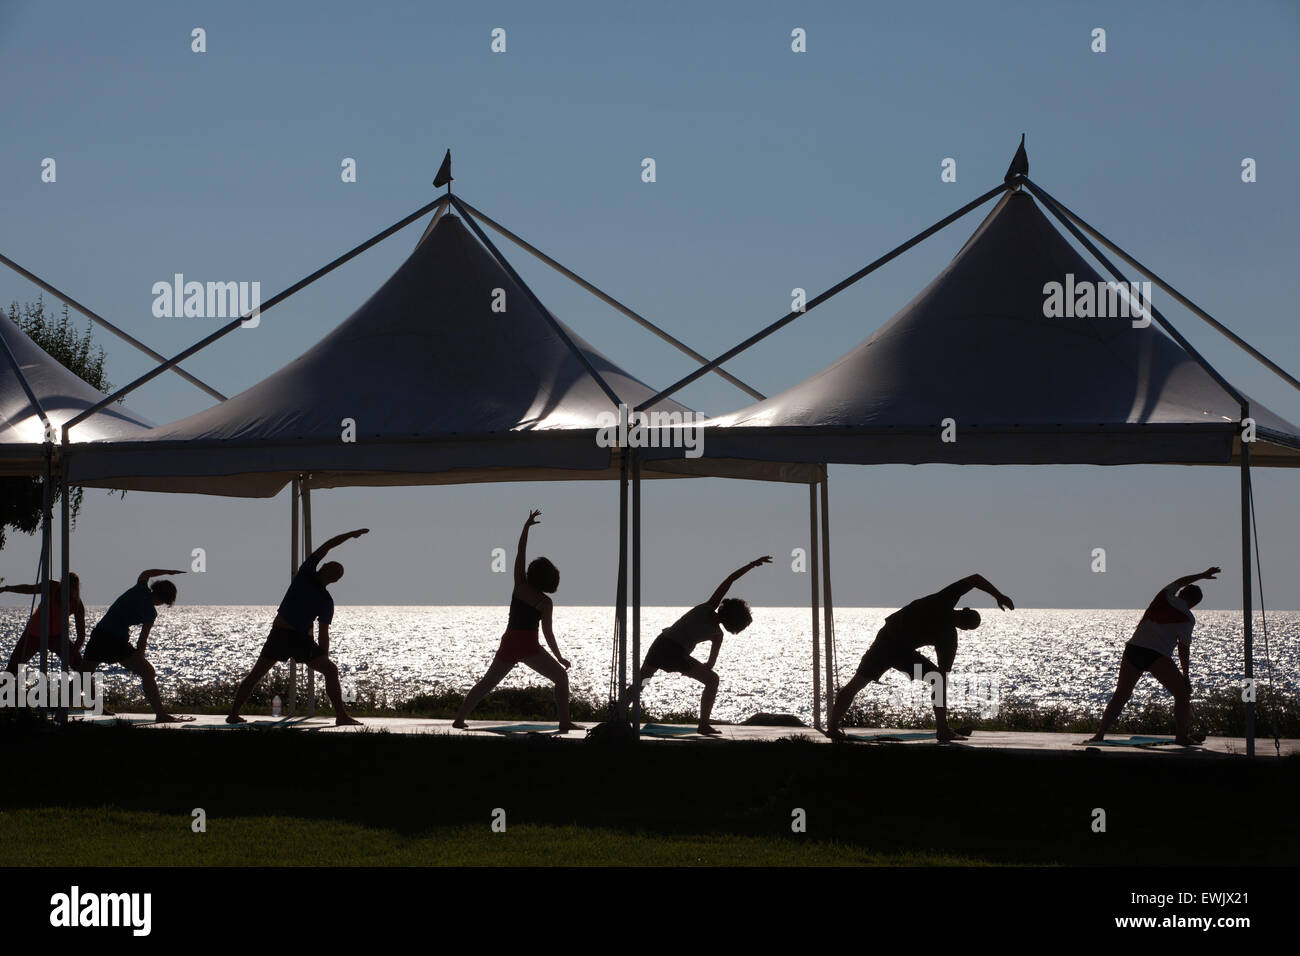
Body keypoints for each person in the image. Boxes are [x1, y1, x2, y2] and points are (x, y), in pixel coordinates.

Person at [828, 574, 1015, 741]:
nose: (961, 624)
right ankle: (832, 726)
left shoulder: (948, 636)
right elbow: (975, 579)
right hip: (887, 643)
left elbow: (940, 678)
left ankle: (942, 729)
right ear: (963, 614)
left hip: (896, 648)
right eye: (965, 622)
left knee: (859, 683)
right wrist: (998, 595)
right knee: (858, 683)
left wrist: (999, 596)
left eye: (965, 624)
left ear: (964, 623)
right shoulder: (945, 603)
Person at [454, 511, 579, 732]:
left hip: (510, 641)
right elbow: (548, 634)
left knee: (487, 683)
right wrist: (559, 657)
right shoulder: (545, 602)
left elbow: (520, 552)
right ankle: (564, 721)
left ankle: (460, 718)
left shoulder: (519, 587)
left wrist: (526, 527)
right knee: (560, 677)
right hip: (528, 645)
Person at [227, 529, 368, 726]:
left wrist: (323, 656)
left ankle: (341, 716)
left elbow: (324, 633)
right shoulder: (306, 572)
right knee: (256, 674)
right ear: (323, 566)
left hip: (301, 640)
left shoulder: (326, 601)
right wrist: (350, 534)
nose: (331, 570)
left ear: (335, 580)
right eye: (331, 567)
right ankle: (233, 713)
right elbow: (328, 545)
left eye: (336, 572)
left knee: (330, 670)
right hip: (280, 634)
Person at [632, 555, 772, 735]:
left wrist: (751, 565)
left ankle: (616, 717)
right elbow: (710, 665)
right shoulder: (717, 635)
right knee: (712, 680)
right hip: (675, 654)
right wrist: (696, 668)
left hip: (661, 645)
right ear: (734, 624)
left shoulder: (708, 607)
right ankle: (703, 724)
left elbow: (730, 580)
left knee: (642, 683)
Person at [1086, 567, 1218, 747]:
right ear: (1194, 603)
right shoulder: (1187, 617)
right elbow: (1183, 649)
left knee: (1121, 695)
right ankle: (1181, 736)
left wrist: (1202, 575)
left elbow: (1181, 579)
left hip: (1133, 649)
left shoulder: (1163, 595)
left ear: (1181, 592)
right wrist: (1186, 676)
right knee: (1182, 694)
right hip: (1155, 655)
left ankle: (1099, 735)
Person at [81, 569, 190, 723]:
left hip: (99, 634)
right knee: (148, 672)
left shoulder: (140, 588)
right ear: (162, 598)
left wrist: (168, 572)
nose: (161, 605)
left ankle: (60, 711)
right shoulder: (151, 613)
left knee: (83, 674)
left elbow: (147, 572)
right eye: (164, 602)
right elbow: (142, 641)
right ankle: (161, 714)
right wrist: (139, 659)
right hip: (115, 642)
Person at [2, 574, 87, 674]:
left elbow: (81, 635)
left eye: (71, 589)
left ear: (75, 589)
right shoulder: (51, 586)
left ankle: (88, 688)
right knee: (13, 667)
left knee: (81, 667)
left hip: (57, 637)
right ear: (61, 584)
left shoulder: (76, 604)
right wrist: (6, 588)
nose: (67, 592)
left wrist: (73, 653)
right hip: (34, 634)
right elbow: (28, 589)